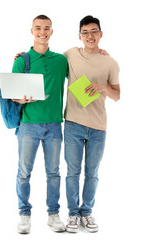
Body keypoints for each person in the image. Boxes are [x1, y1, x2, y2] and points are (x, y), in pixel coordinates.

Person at [63, 15, 120, 233]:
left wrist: (102, 87)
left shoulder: (110, 62)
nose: (90, 35)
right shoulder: (70, 54)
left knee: (92, 172)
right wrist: (24, 55)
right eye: (85, 32)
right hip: (73, 123)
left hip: (98, 126)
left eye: (94, 31)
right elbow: (48, 61)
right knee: (72, 172)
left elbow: (117, 95)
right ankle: (73, 214)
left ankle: (86, 212)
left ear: (100, 34)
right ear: (80, 36)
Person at [12, 15, 68, 234]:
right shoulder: (21, 60)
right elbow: (11, 94)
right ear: (32, 31)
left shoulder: (61, 60)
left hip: (54, 124)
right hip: (28, 125)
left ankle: (53, 214)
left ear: (51, 32)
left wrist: (100, 55)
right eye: (38, 28)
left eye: (46, 28)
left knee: (54, 172)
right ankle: (24, 215)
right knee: (24, 172)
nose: (42, 32)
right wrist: (21, 99)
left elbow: (77, 78)